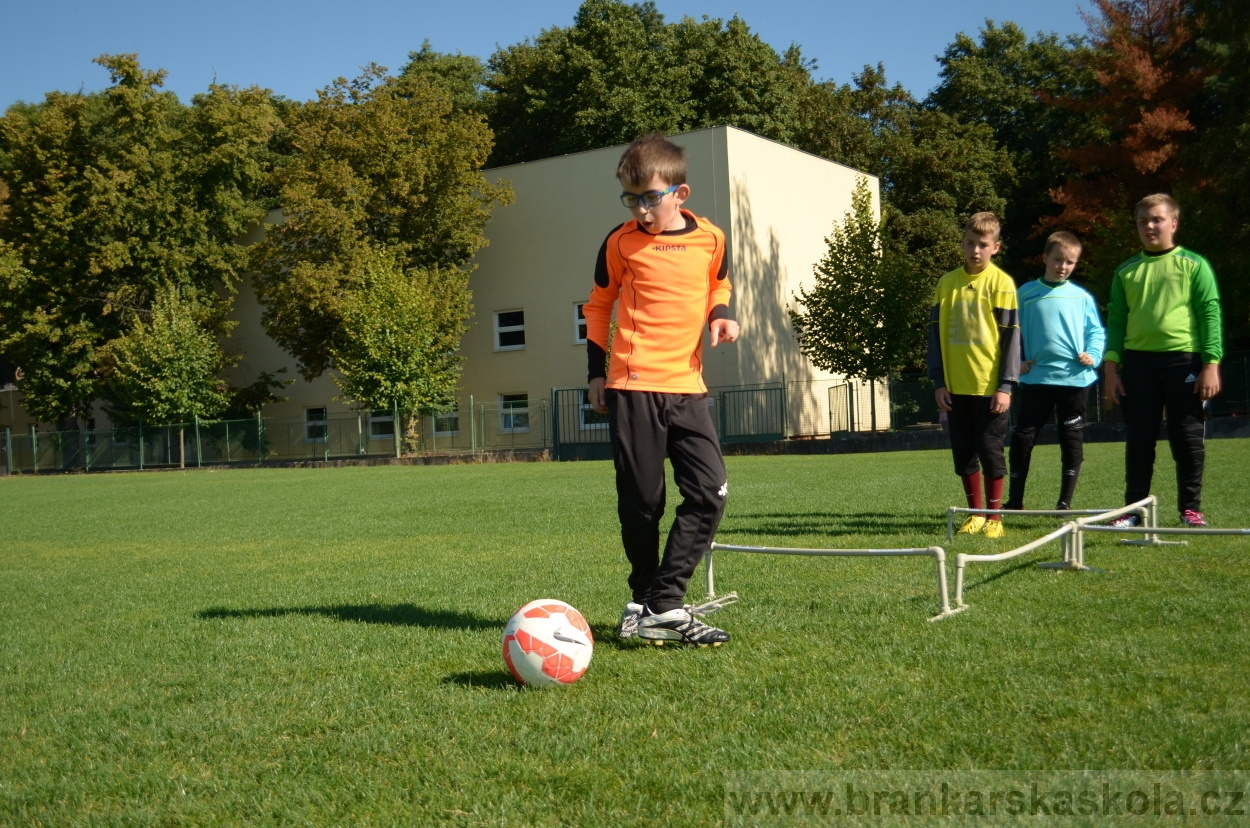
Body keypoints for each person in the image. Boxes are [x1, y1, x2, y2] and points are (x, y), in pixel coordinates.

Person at [583, 134, 740, 645]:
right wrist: (596, 373)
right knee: (642, 504)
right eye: (631, 198)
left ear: (681, 193)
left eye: (650, 197)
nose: (641, 209)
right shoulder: (619, 241)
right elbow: (598, 306)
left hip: (687, 389)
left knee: (710, 492)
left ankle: (663, 603)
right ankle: (644, 601)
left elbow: (720, 282)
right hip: (631, 386)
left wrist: (720, 314)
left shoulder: (711, 238)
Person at [1103, 193, 1223, 527]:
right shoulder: (1126, 271)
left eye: (1157, 219)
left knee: (1186, 437)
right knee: (1140, 438)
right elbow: (1116, 321)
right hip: (1138, 364)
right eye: (1143, 221)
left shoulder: (1194, 265)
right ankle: (1134, 512)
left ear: (1174, 223)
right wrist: (1111, 367)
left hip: (1183, 362)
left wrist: (1210, 363)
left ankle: (1191, 510)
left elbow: (1209, 314)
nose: (1150, 226)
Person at [927, 212, 1021, 539]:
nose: (975, 250)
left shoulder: (1002, 284)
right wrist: (939, 381)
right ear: (962, 243)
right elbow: (934, 335)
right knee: (964, 452)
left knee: (990, 449)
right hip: (955, 388)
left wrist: (1006, 385)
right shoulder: (946, 283)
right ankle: (975, 514)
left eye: (983, 245)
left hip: (990, 389)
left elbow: (1011, 337)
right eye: (970, 243)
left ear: (995, 247)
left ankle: (995, 517)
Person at [1003, 232, 1105, 511]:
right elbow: (1012, 333)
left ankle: (1065, 503)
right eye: (1058, 259)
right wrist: (1018, 361)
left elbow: (1095, 331)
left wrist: (1093, 355)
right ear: (1045, 258)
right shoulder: (1025, 293)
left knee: (1070, 438)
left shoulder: (1081, 297)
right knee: (1023, 438)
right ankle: (1015, 501)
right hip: (1036, 379)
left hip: (1074, 380)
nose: (1063, 266)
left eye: (1070, 262)